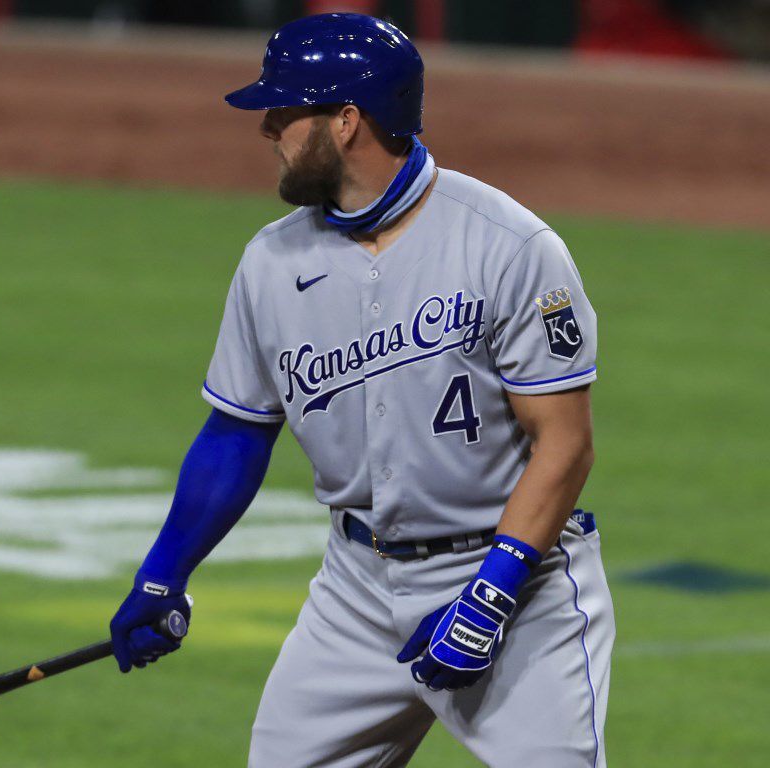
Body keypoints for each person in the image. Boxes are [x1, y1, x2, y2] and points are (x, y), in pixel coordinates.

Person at [110, 13, 613, 767]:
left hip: (518, 583)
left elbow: (565, 444)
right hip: (356, 590)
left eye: (284, 109)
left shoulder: (510, 246)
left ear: (347, 120)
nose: (267, 126)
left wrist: (493, 594)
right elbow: (237, 432)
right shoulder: (271, 263)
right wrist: (163, 572)